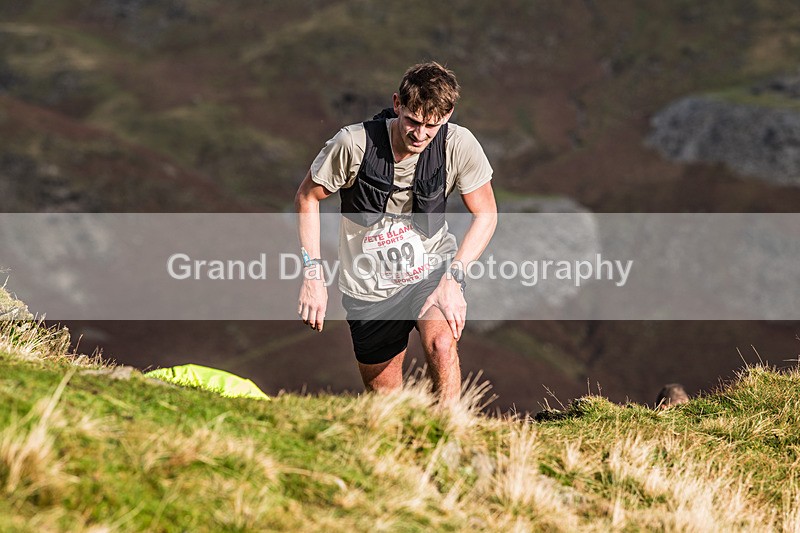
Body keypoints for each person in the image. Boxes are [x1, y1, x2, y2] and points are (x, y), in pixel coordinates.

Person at [294, 62, 497, 404]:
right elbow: (307, 197)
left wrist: (454, 279)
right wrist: (312, 276)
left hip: (431, 273)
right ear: (397, 104)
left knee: (442, 345)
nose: (420, 134)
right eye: (413, 121)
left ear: (447, 116)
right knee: (388, 405)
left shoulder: (459, 145)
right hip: (369, 287)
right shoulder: (353, 143)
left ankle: (451, 435)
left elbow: (487, 214)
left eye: (431, 126)